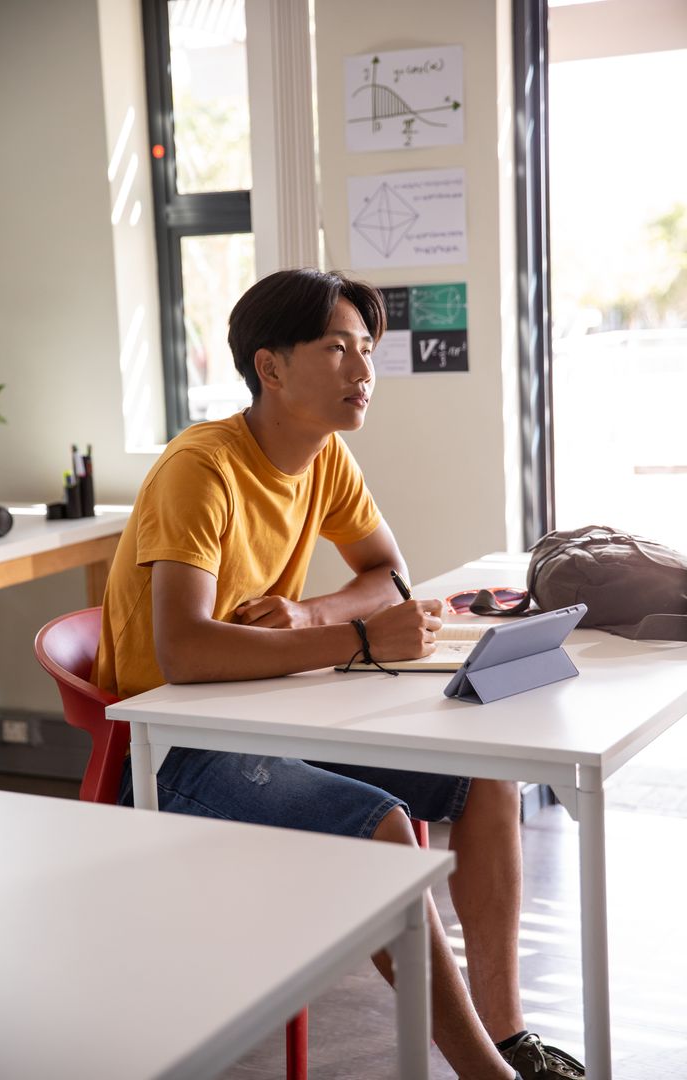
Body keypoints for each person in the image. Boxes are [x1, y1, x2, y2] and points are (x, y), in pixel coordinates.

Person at [96, 268, 585, 1080]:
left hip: (267, 717)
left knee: (487, 779)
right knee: (387, 825)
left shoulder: (323, 458)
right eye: (338, 350)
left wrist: (314, 616)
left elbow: (387, 573)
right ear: (272, 367)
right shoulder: (201, 469)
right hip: (171, 750)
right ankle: (482, 1073)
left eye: (368, 350)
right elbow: (184, 650)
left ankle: (508, 1038)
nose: (364, 373)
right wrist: (357, 638)